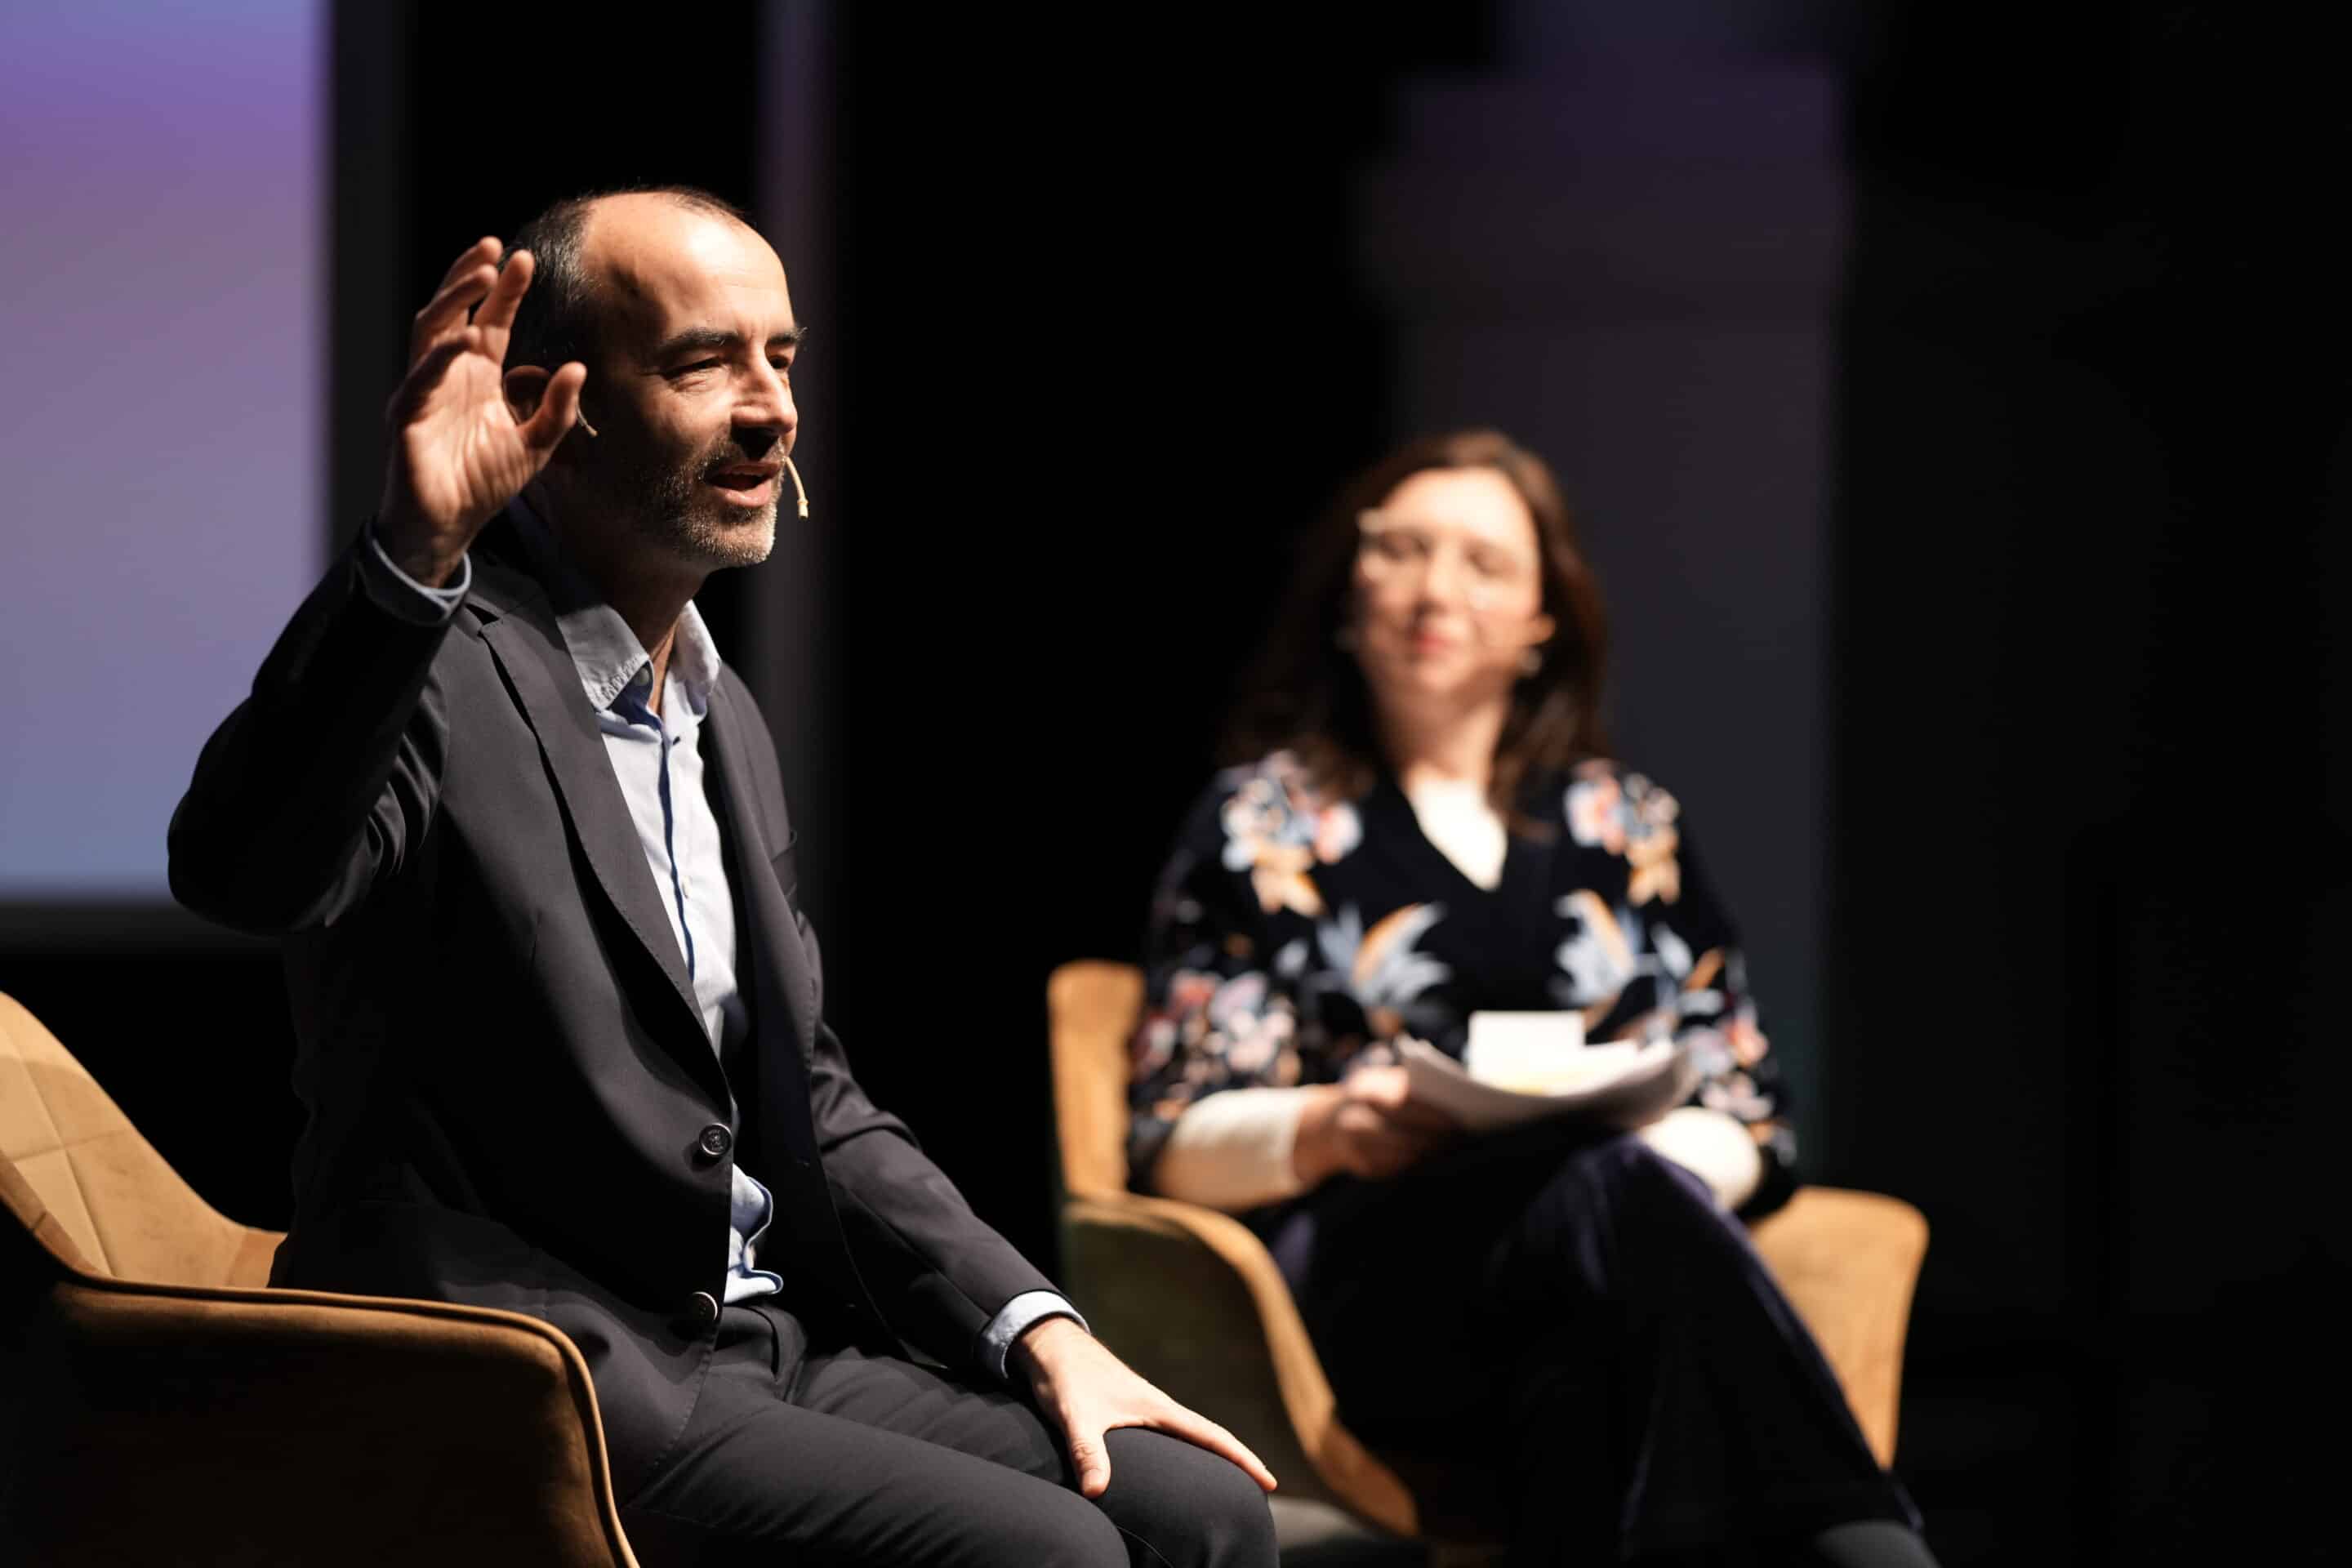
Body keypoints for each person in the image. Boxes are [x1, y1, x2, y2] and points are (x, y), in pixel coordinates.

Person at [168, 185, 1276, 1568]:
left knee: (1204, 1517)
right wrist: (410, 560)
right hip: (534, 1370)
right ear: (550, 403)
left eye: (783, 358)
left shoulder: (711, 702)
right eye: (704, 363)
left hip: (755, 1344)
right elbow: (237, 872)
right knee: (1049, 1556)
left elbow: (810, 1093)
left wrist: (1040, 1327)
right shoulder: (435, 665)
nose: (771, 408)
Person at [1127, 430, 1940, 1566]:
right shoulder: (1267, 822)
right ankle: (1864, 1543)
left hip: (1607, 1275)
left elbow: (1750, 1112)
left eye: (1482, 562)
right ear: (1349, 589)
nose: (1433, 587)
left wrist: (1634, 1160)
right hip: (1378, 1286)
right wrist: (1330, 1128)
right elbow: (1172, 1135)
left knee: (1587, 1337)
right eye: (1401, 549)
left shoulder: (1626, 827)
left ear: (1544, 619)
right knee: (1608, 1230)